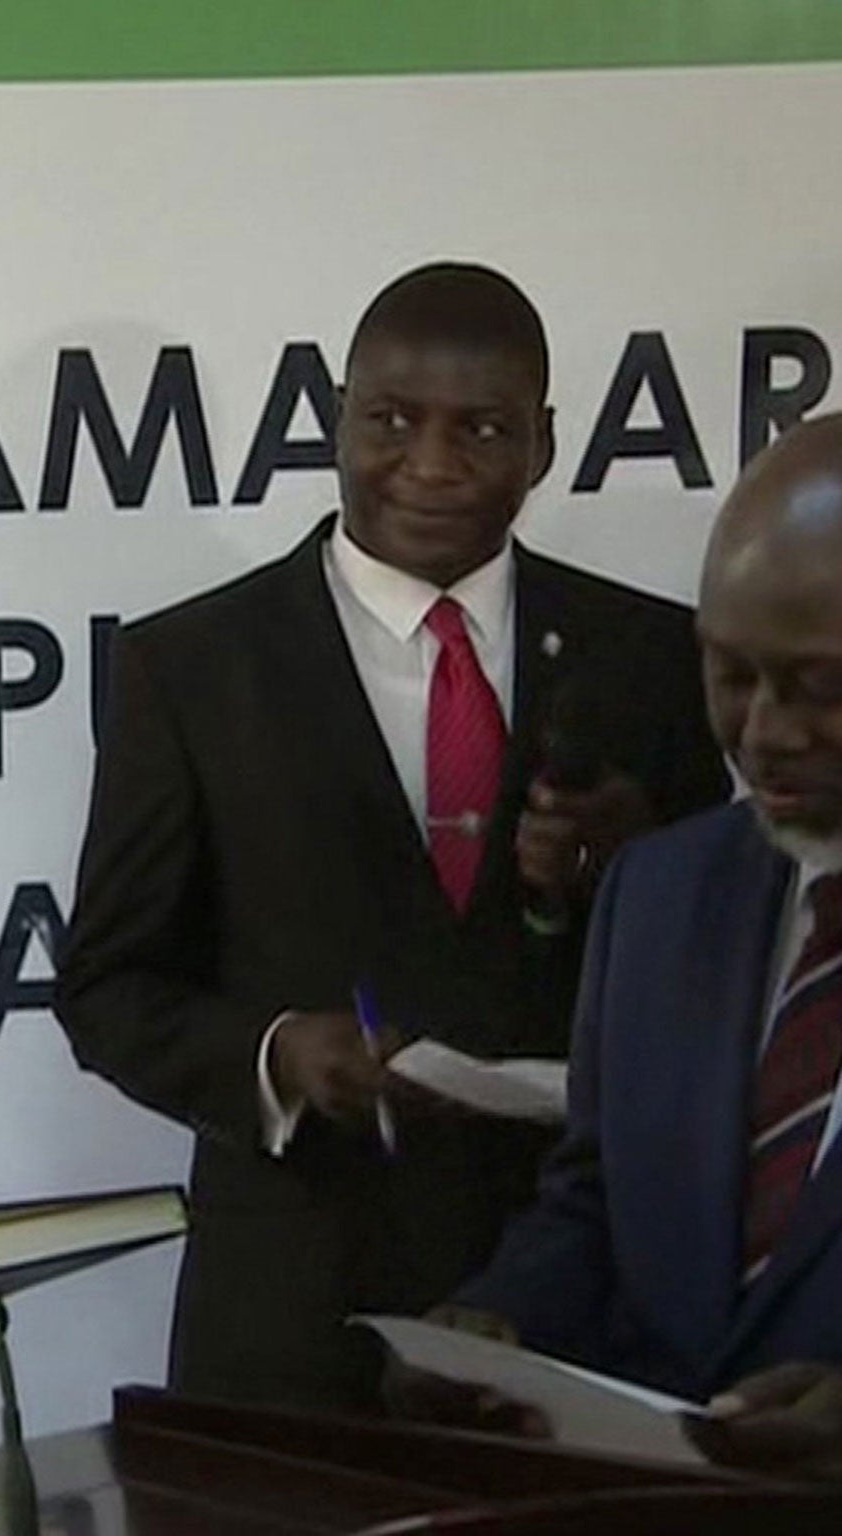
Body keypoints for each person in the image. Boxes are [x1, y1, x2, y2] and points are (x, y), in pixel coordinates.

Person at [52, 261, 729, 1411]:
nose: (430, 466)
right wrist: (272, 1054)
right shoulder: (191, 668)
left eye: (480, 429)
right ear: (336, 418)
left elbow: (728, 992)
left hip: (579, 1311)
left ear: (543, 443)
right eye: (392, 422)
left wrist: (637, 867)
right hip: (292, 1312)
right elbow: (107, 988)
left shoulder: (653, 658)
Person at [411, 413, 842, 1481]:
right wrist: (492, 1325)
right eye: (728, 674)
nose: (761, 734)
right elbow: (599, 1199)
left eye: (818, 685)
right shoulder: (658, 890)